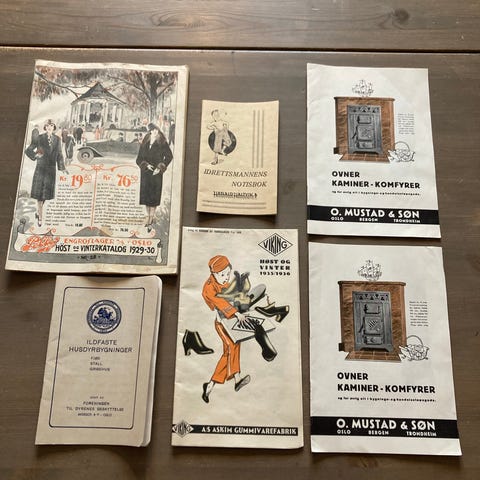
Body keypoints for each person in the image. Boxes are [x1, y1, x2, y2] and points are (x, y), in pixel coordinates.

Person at [200, 255, 251, 403]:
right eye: (222, 275)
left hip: (231, 322)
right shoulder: (209, 287)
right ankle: (237, 379)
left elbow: (233, 295)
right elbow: (220, 302)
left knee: (229, 351)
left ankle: (210, 385)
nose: (226, 278)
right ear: (213, 274)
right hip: (222, 324)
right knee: (231, 347)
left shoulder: (224, 283)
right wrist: (236, 313)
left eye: (228, 274)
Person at [25, 119, 67, 226]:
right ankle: (40, 217)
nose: (49, 127)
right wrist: (35, 156)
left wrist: (62, 167)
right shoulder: (39, 138)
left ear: (54, 127)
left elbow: (59, 154)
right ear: (45, 127)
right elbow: (28, 150)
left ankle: (38, 212)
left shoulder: (57, 139)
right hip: (41, 168)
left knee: (46, 195)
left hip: (51, 170)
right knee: (40, 195)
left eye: (51, 125)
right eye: (47, 125)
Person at [135, 123, 173, 232]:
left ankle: (150, 220)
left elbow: (169, 156)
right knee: (146, 198)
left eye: (156, 130)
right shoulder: (145, 142)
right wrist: (145, 165)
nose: (155, 132)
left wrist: (160, 167)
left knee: (154, 198)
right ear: (150, 131)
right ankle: (149, 217)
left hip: (156, 174)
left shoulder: (162, 142)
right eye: (153, 130)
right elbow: (138, 159)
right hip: (146, 173)